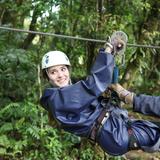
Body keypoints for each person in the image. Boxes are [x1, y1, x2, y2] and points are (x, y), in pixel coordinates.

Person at [40, 38, 160, 156]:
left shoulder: (68, 93)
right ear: (47, 77)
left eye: (63, 69)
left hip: (115, 129)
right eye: (53, 72)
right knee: (155, 133)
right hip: (114, 133)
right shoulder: (57, 99)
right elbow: (92, 85)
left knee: (153, 129)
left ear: (68, 70)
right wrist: (107, 50)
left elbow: (90, 93)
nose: (60, 75)